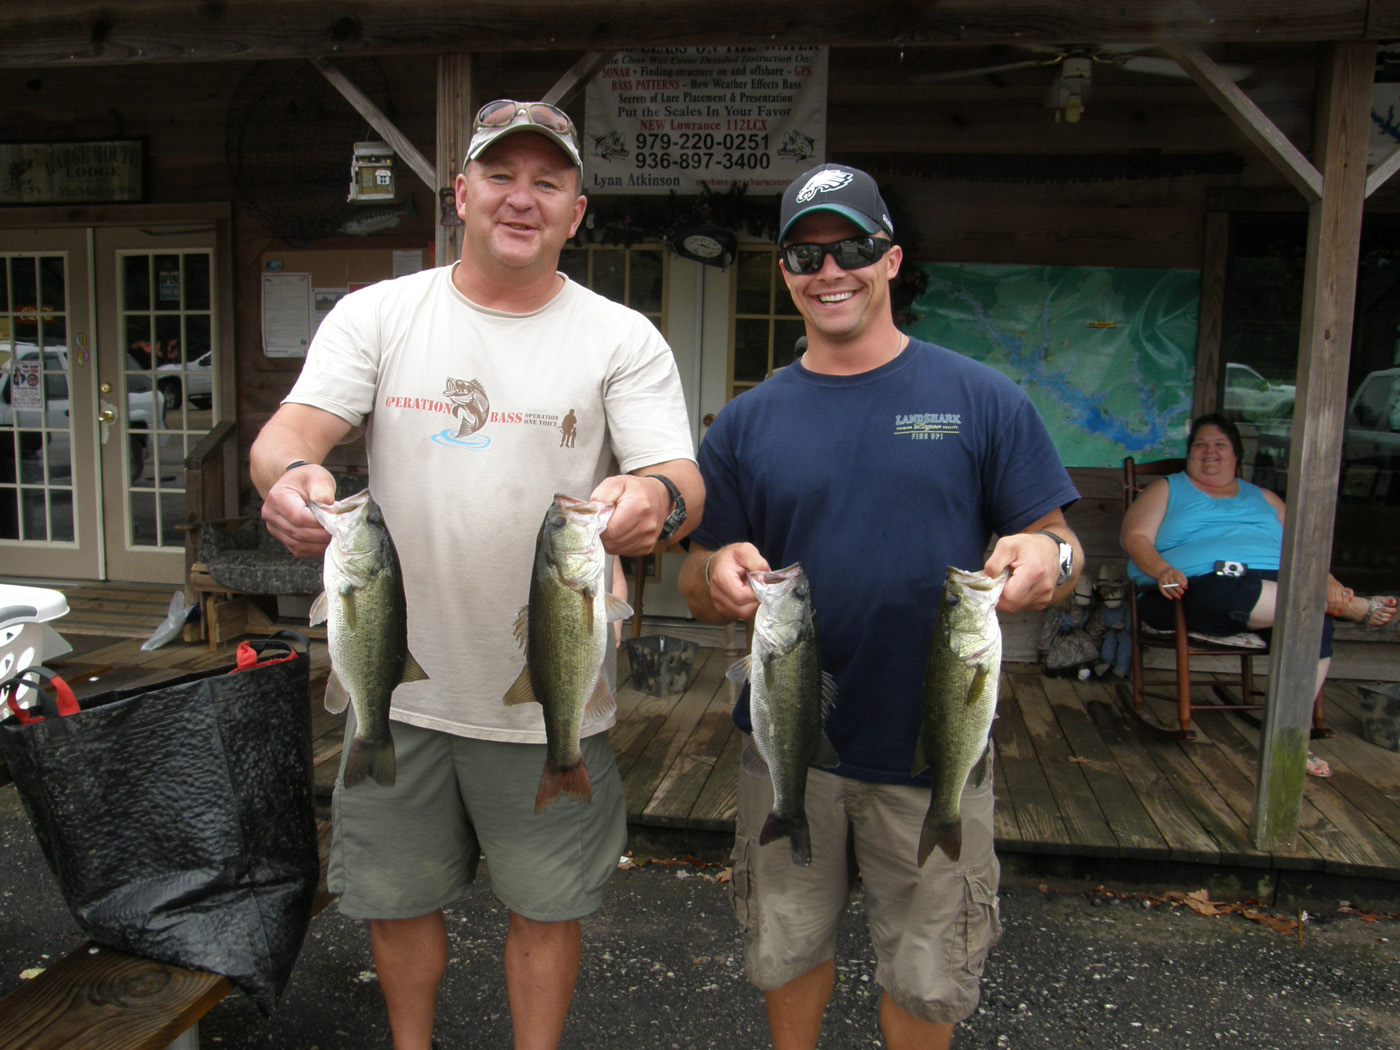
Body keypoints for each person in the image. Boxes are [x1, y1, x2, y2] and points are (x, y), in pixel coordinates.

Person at [250, 100, 702, 1050]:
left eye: (549, 182)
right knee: (394, 894)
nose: (522, 199)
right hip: (394, 687)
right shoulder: (379, 314)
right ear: (461, 194)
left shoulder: (621, 337)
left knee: (547, 905)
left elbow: (677, 477)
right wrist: (292, 479)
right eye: (501, 176)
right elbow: (291, 435)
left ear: (579, 211)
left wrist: (651, 498)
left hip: (550, 694)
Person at [677, 163, 1082, 1050]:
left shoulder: (982, 398)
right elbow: (698, 572)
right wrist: (711, 575)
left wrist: (1051, 553)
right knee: (785, 951)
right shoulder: (744, 424)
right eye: (805, 254)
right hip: (788, 748)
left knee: (928, 975)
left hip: (937, 745)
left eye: (852, 248)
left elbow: (1057, 537)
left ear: (891, 259)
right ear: (784, 272)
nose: (830, 271)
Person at [1120, 412, 1396, 703]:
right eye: (1200, 444)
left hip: (1276, 587)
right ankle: (1339, 605)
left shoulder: (1265, 497)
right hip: (1189, 589)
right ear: (1189, 454)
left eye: (1220, 444)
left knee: (1313, 625)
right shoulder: (1167, 488)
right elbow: (1135, 538)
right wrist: (1163, 570)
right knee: (1243, 593)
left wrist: (1328, 582)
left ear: (1237, 455)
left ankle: (1287, 730)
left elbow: (1305, 550)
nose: (1210, 450)